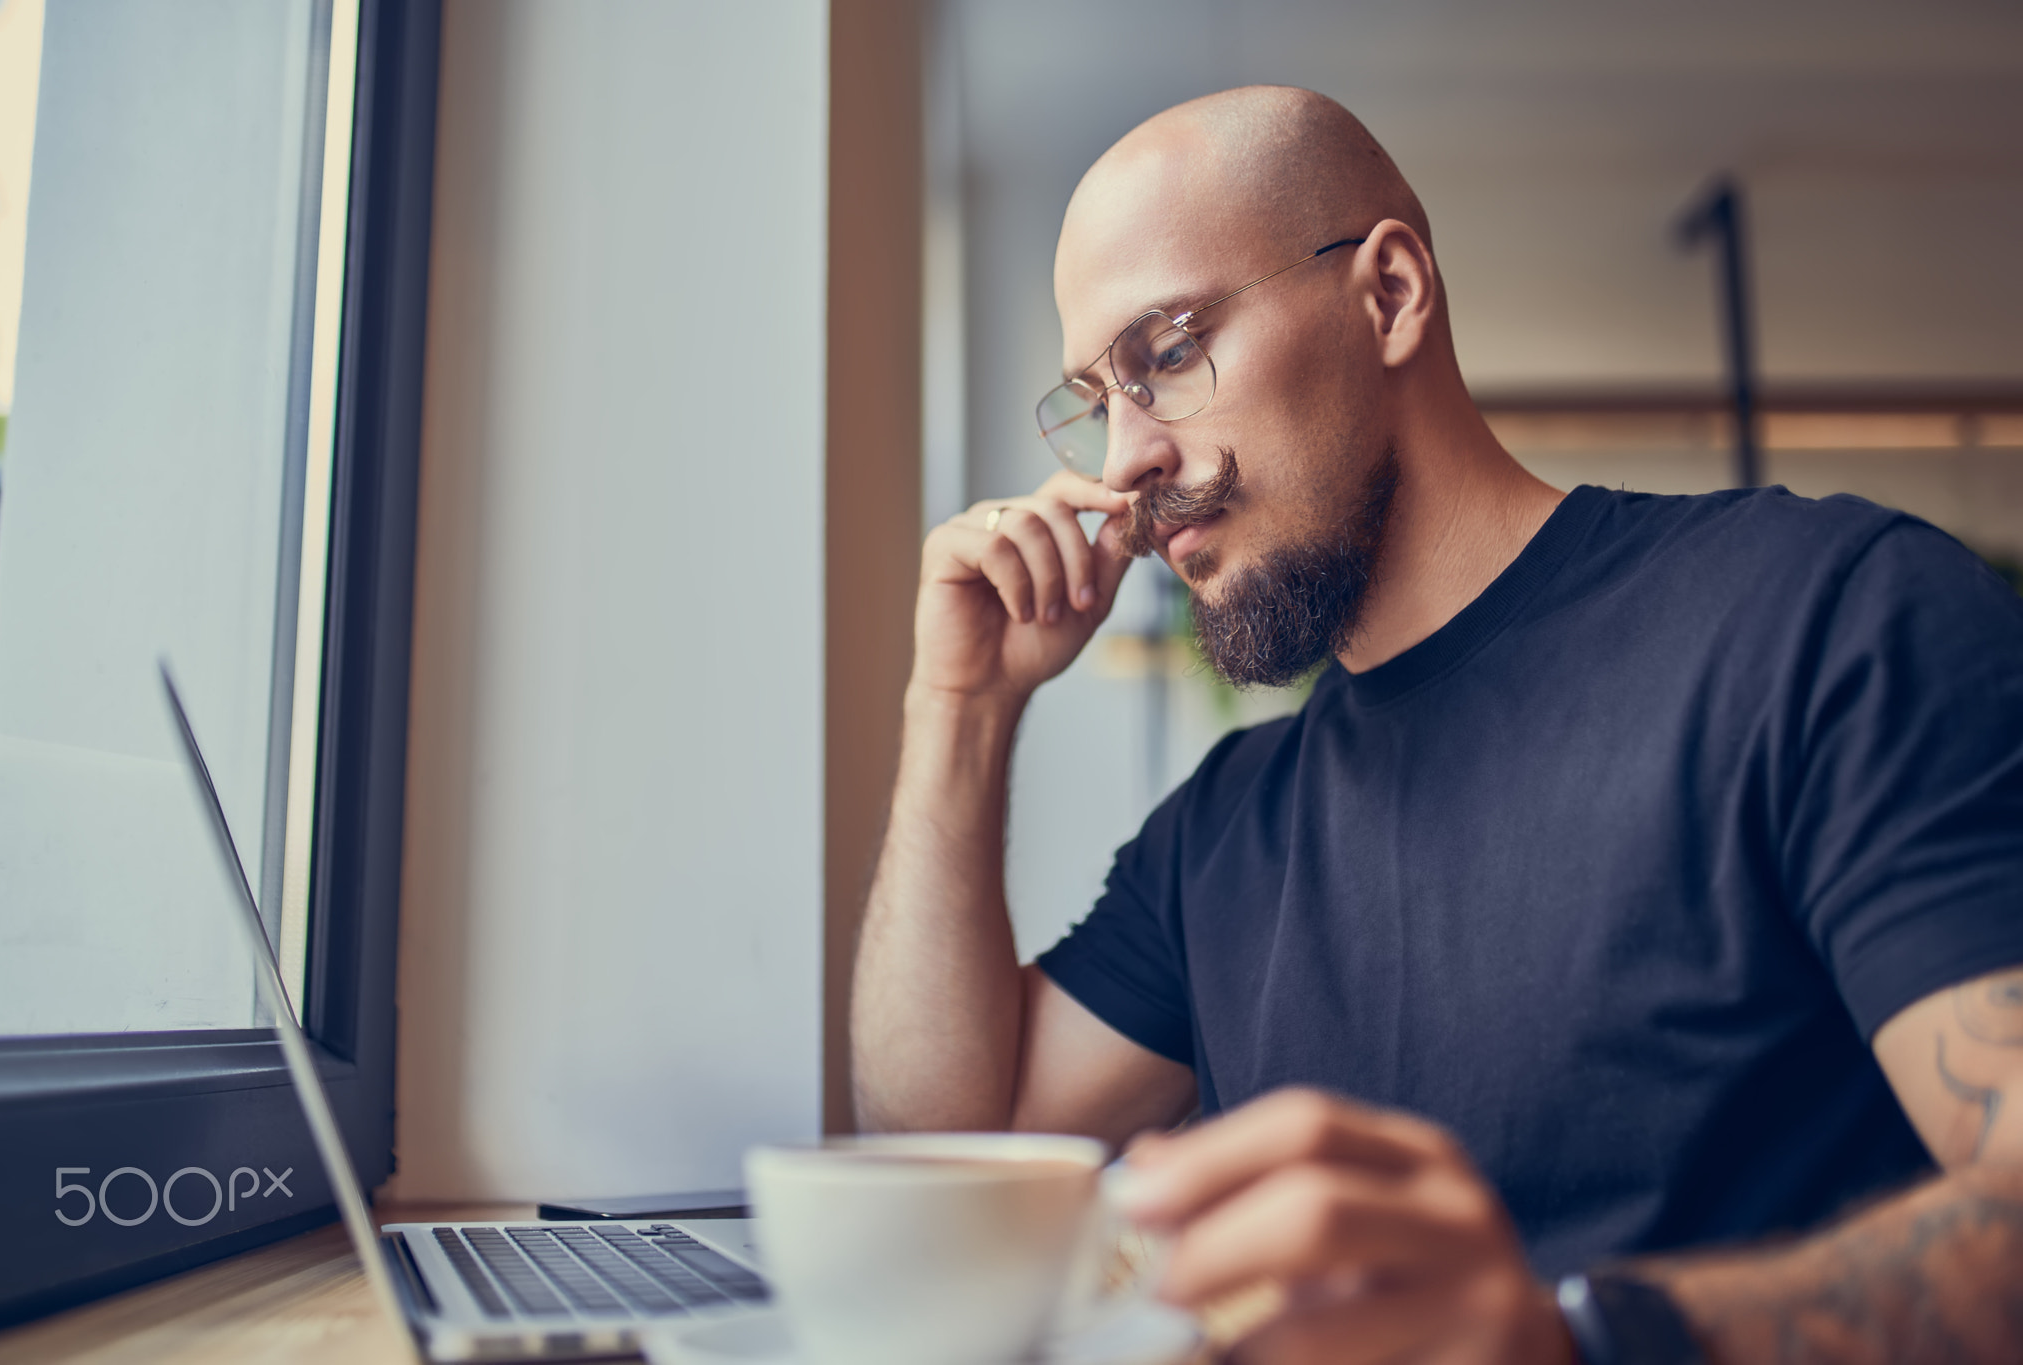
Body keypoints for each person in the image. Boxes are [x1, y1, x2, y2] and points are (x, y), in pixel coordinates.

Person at [850, 85, 2023, 1363]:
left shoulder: (1828, 621)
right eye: (1097, 396)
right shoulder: (1225, 834)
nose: (1124, 459)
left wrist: (1572, 1341)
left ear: (1391, 293)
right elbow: (942, 1157)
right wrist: (960, 708)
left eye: (1167, 353)